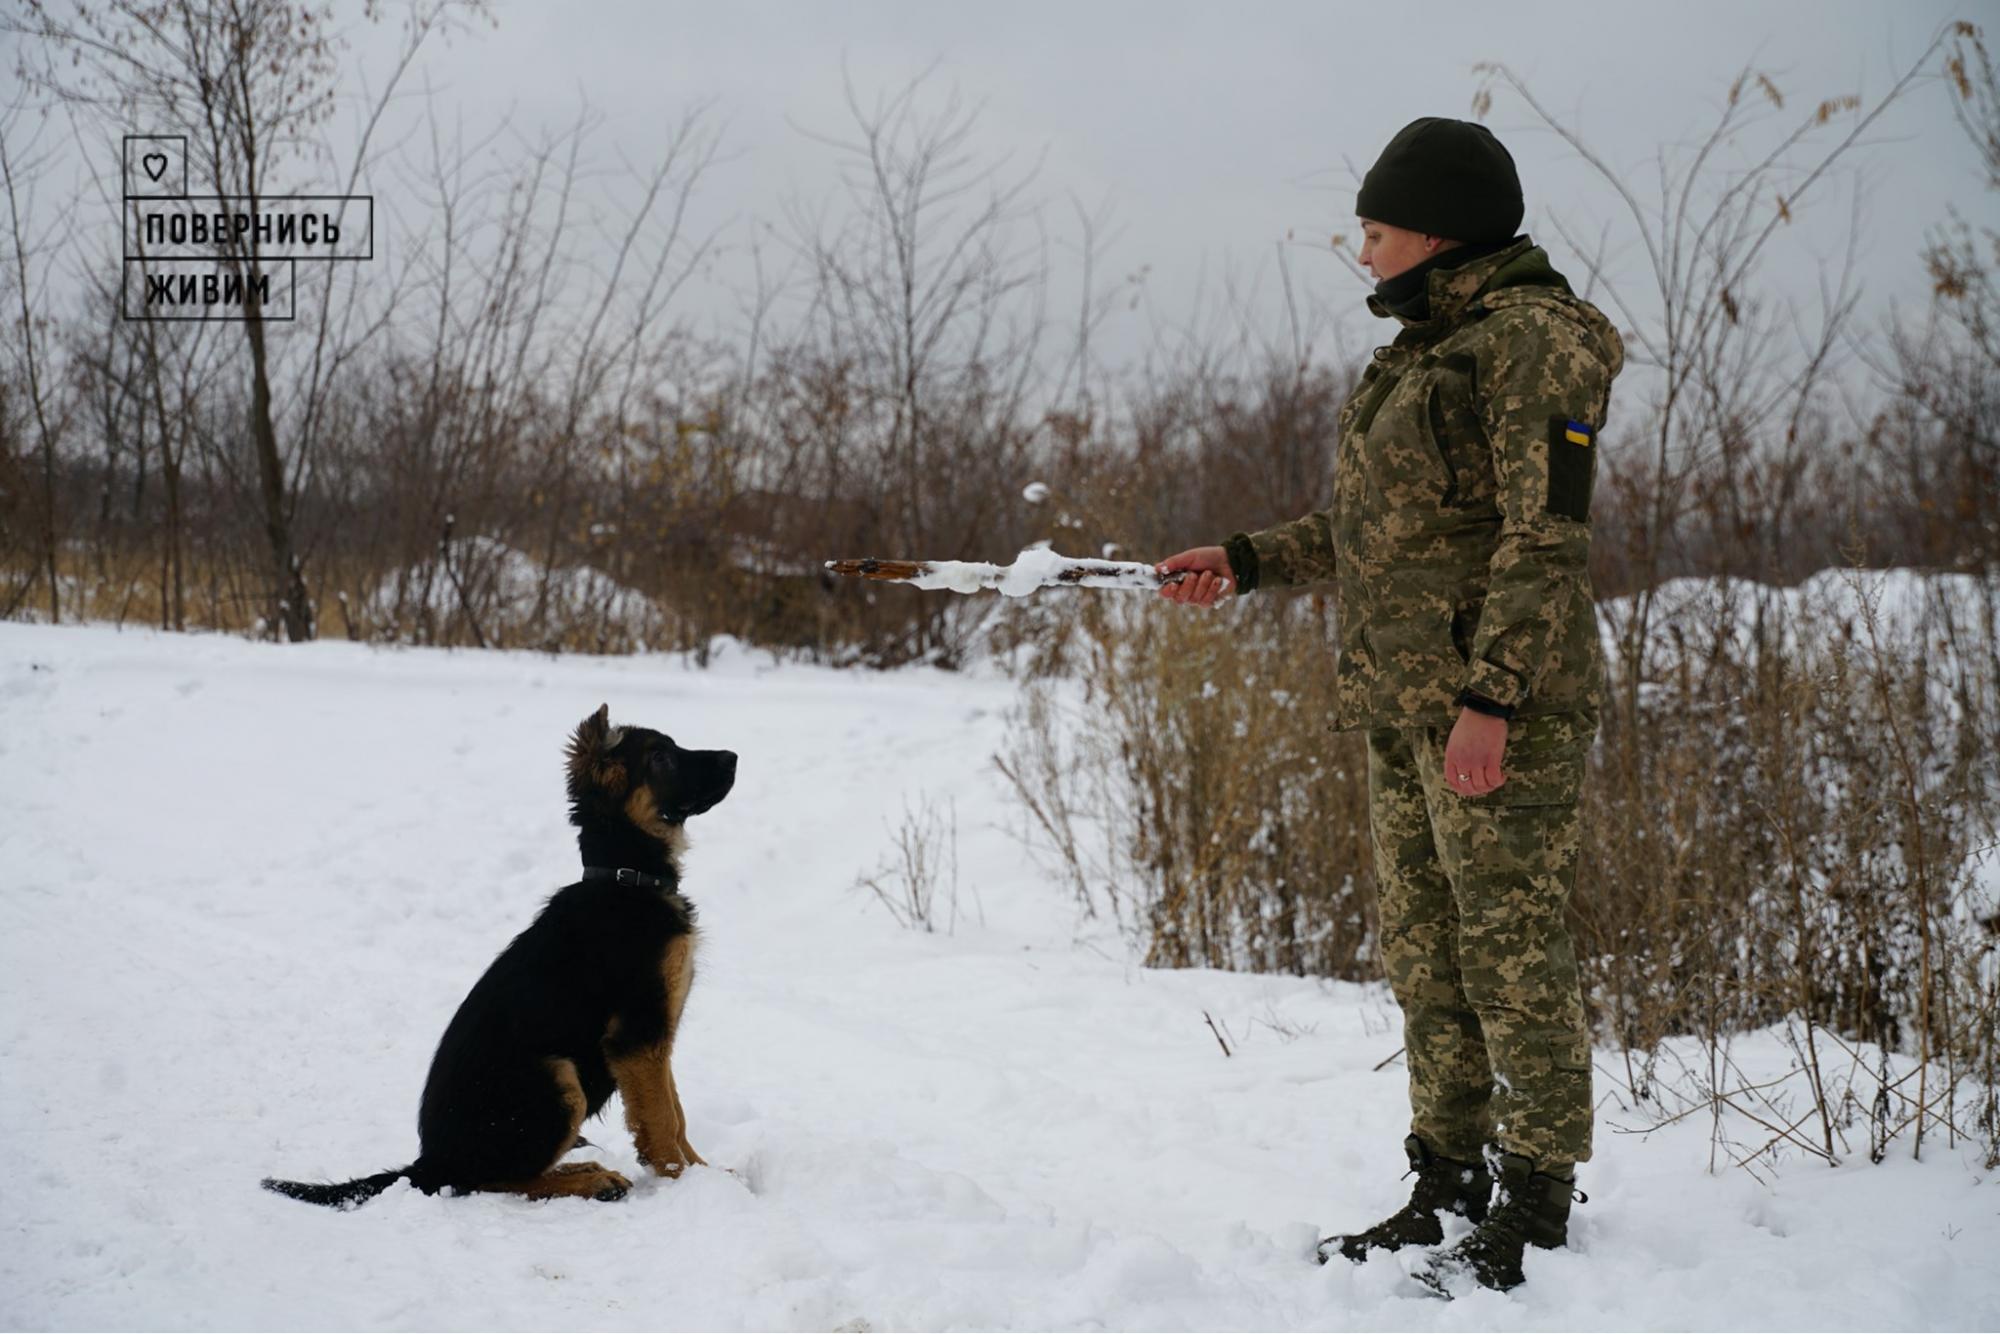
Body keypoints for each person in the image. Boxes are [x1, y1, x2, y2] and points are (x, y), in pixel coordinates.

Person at [1155, 116, 1623, 1297]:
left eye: (1370, 230)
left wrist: (1492, 700)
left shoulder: (1529, 344)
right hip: (1406, 702)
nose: (1360, 252)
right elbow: (1377, 532)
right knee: (1428, 954)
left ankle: (1533, 1201)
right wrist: (1248, 558)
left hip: (1493, 706)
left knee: (1508, 950)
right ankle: (1447, 1178)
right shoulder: (1420, 349)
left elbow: (1544, 533)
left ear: (1434, 227)